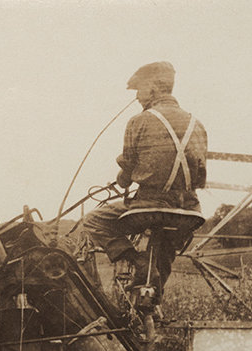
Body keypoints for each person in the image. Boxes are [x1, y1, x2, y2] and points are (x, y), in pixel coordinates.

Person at [83, 61, 207, 297]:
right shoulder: (196, 124)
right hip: (190, 213)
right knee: (164, 253)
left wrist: (123, 178)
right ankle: (152, 304)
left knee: (93, 220)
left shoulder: (139, 121)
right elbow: (200, 178)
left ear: (153, 87)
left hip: (149, 208)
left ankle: (137, 262)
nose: (138, 97)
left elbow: (126, 176)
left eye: (140, 89)